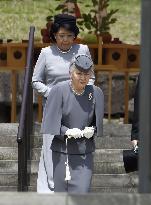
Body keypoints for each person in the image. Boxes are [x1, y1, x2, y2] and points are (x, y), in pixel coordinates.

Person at [32, 13, 94, 193]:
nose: (65, 40)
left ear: (74, 35)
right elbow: (35, 81)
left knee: (77, 145)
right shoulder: (46, 53)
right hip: (54, 107)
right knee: (52, 146)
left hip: (78, 106)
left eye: (69, 36)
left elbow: (92, 78)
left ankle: (76, 186)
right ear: (54, 36)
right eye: (61, 36)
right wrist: (53, 93)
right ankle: (52, 188)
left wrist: (80, 91)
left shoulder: (82, 50)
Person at [41, 54, 104, 193]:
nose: (83, 77)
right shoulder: (59, 90)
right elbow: (51, 122)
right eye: (79, 73)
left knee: (82, 192)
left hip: (84, 153)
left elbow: (97, 124)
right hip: (63, 152)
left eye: (86, 74)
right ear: (71, 73)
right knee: (62, 195)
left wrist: (92, 130)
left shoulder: (95, 92)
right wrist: (66, 132)